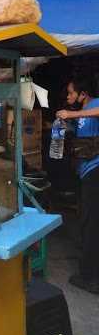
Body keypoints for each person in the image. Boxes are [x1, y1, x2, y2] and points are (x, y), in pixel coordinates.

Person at [57, 79, 99, 294]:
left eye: (71, 93)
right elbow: (82, 129)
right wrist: (66, 124)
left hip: (95, 170)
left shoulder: (94, 105)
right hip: (86, 171)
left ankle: (90, 277)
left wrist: (71, 114)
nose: (68, 97)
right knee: (87, 221)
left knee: (91, 224)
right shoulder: (84, 111)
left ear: (83, 93)